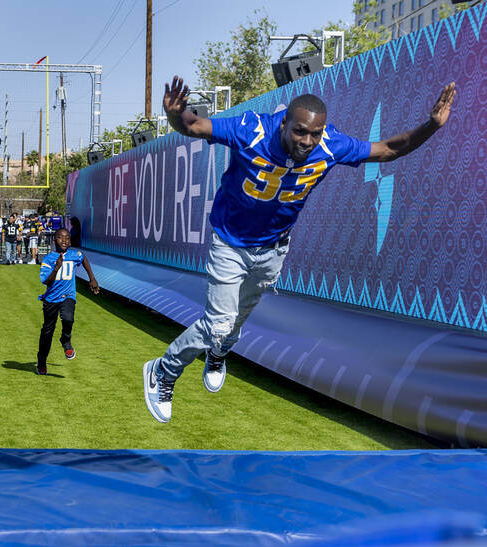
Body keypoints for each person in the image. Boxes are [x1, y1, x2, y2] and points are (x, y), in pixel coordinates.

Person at [142, 76, 456, 423]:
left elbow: (388, 149)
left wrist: (431, 126)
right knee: (219, 323)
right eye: (299, 132)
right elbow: (195, 126)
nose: (307, 141)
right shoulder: (252, 130)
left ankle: (218, 354)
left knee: (236, 321)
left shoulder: (330, 145)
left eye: (314, 134)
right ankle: (163, 370)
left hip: (274, 249)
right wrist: (175, 116)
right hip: (230, 243)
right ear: (284, 124)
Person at [36, 228, 100, 375]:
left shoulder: (73, 255)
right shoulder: (48, 259)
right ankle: (42, 360)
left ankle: (66, 340)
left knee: (68, 318)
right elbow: (47, 281)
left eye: (66, 238)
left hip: (68, 295)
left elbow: (83, 258)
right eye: (60, 237)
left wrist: (92, 278)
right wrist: (56, 268)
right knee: (47, 331)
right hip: (51, 299)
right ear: (54, 241)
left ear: (70, 241)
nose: (63, 240)